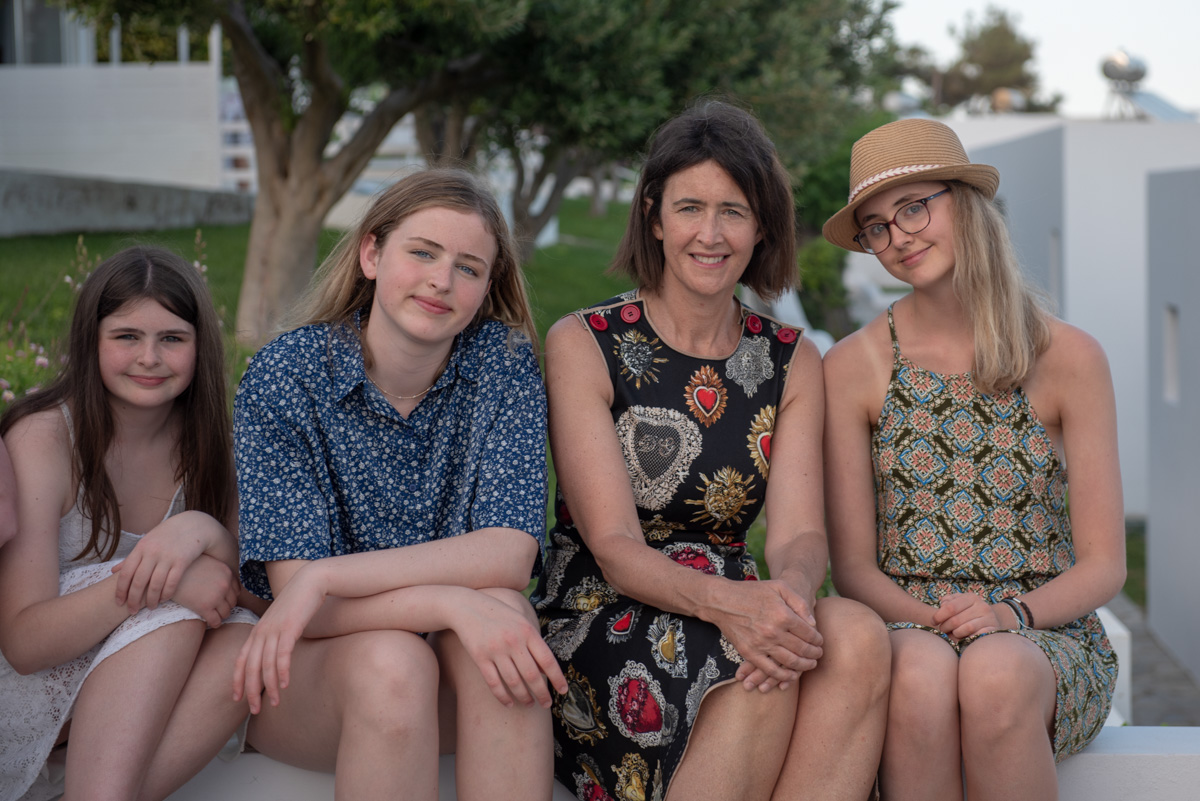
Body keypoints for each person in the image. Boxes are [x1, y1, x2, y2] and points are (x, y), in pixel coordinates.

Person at [531, 100, 890, 801]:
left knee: (856, 634)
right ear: (654, 217)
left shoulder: (790, 358)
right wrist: (735, 609)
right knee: (752, 667)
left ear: (762, 227)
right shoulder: (586, 343)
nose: (711, 233)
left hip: (741, 598)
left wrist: (788, 598)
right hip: (606, 608)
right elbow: (614, 545)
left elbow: (799, 533)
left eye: (734, 211)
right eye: (690, 207)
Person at [231, 168, 566, 801]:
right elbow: (301, 605)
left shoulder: (503, 362)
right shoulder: (288, 374)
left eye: (468, 268)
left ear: (486, 286)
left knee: (506, 616)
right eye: (423, 253)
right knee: (396, 659)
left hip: (448, 672)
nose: (442, 280)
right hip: (312, 678)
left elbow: (510, 553)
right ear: (372, 254)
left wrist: (328, 575)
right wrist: (450, 602)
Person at [822, 118, 1124, 800]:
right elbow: (854, 568)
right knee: (920, 674)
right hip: (907, 620)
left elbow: (1106, 563)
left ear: (965, 202)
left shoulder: (1069, 357)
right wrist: (943, 622)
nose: (899, 236)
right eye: (876, 227)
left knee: (994, 674)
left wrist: (1007, 616)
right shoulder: (852, 365)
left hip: (1041, 628)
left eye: (913, 208)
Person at [0, 247, 258, 801]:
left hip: (131, 708)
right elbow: (21, 642)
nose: (149, 357)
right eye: (126, 336)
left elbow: (247, 594)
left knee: (243, 636)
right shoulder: (45, 438)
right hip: (28, 692)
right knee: (175, 605)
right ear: (90, 340)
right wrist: (164, 583)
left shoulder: (212, 446)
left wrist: (205, 531)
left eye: (172, 338)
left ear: (199, 346)